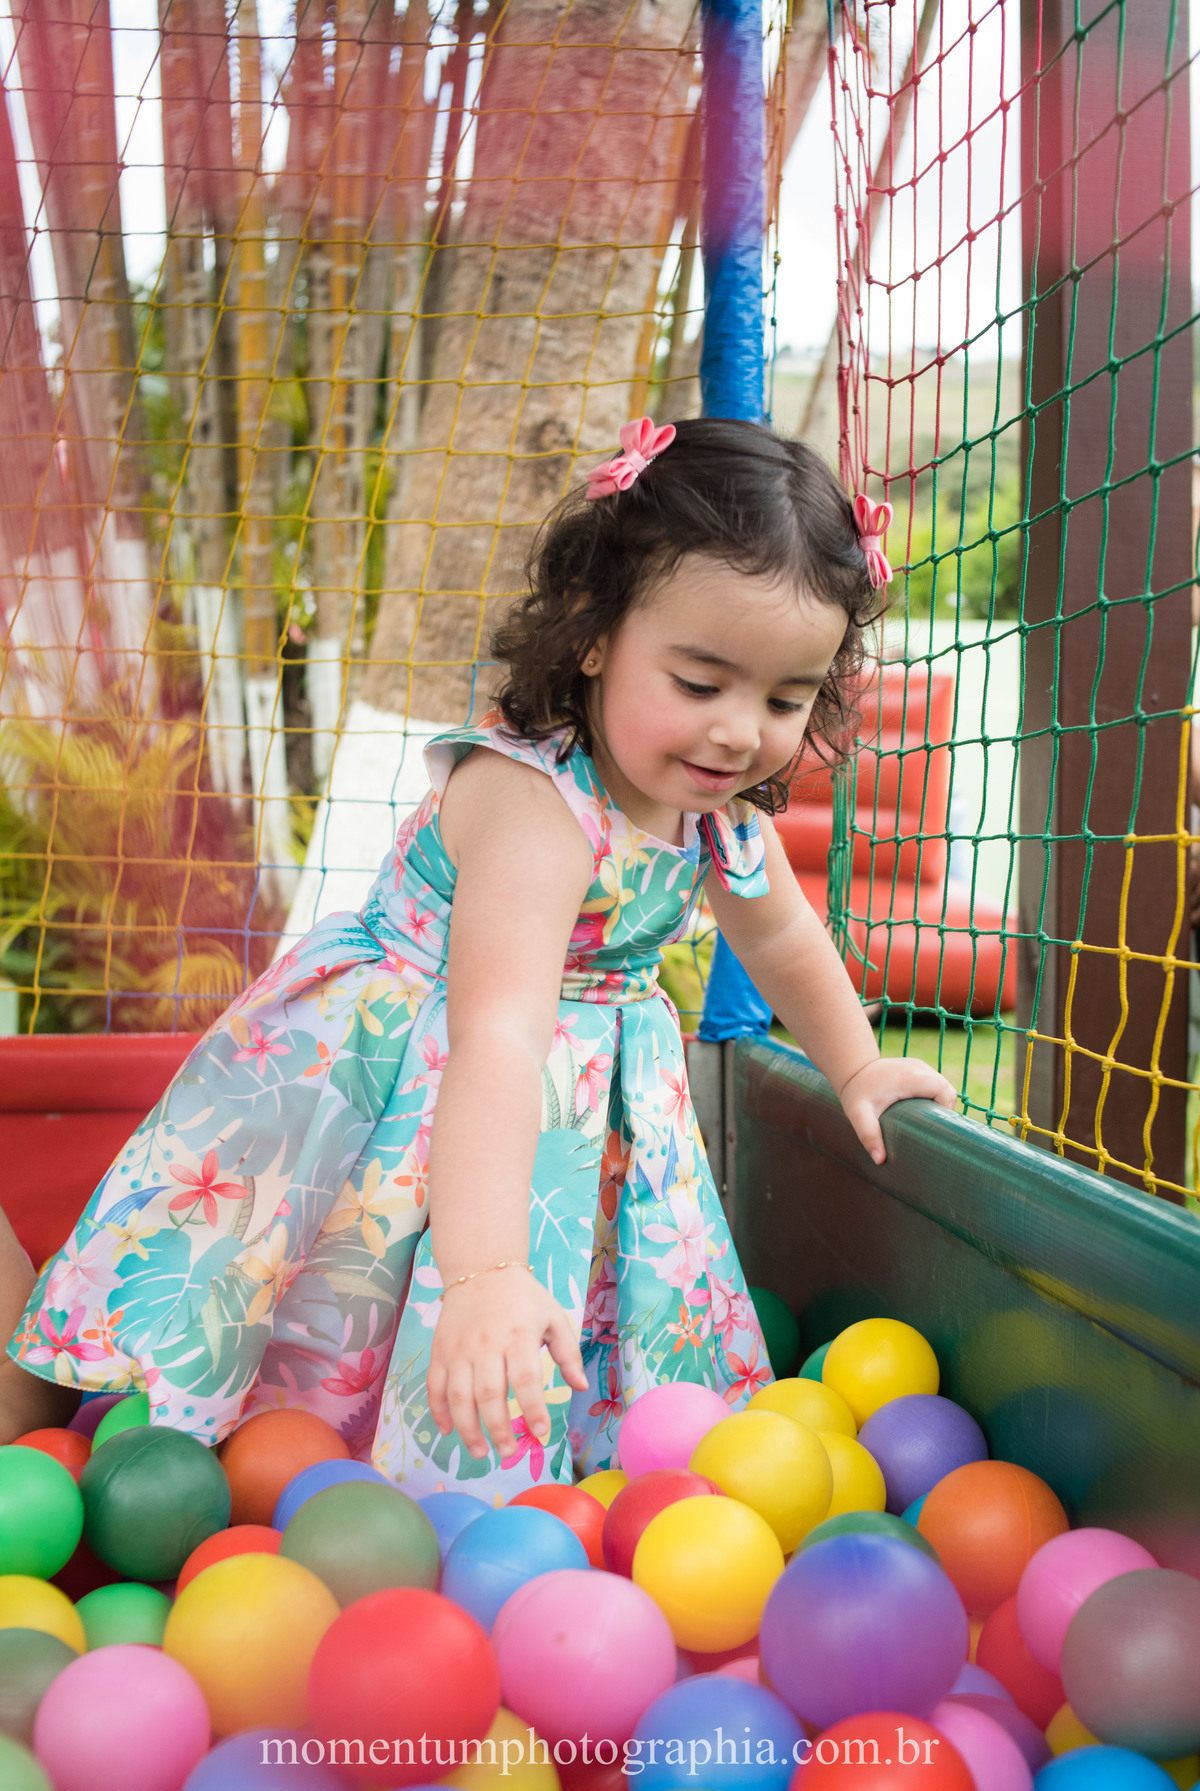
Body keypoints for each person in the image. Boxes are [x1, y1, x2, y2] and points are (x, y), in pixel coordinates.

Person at [7, 418, 954, 1495]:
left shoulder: (719, 812)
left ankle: (566, 1444)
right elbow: (498, 1035)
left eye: (785, 700)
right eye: (700, 684)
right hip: (417, 1065)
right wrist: (487, 1271)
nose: (740, 733)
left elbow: (784, 937)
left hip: (564, 1096)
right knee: (344, 1279)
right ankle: (288, 1453)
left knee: (577, 1294)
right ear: (596, 634)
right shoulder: (536, 807)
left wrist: (859, 1064)